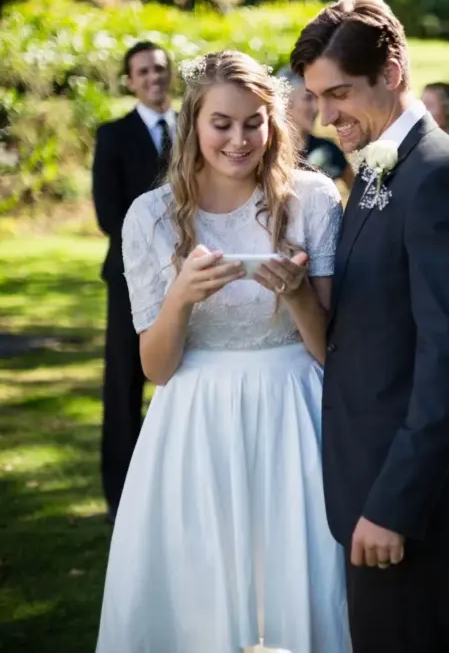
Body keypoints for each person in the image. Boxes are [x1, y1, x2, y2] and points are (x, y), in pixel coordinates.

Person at [94, 50, 350, 653]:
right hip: (194, 422)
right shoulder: (151, 218)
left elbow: (328, 352)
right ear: (194, 124)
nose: (239, 140)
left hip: (295, 414)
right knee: (199, 588)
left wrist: (297, 298)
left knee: (298, 574)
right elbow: (157, 367)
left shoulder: (312, 200)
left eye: (253, 123)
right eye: (222, 124)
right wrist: (179, 298)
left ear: (274, 123)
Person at [291, 0, 449, 653]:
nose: (326, 117)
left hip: (402, 494)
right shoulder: (385, 168)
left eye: (341, 94)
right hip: (367, 476)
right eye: (316, 98)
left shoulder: (439, 175)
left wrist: (394, 504)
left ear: (393, 71)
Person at [91, 41, 175, 523]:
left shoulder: (193, 128)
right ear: (130, 81)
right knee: (124, 383)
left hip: (191, 271)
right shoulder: (113, 135)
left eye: (159, 68)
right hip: (130, 275)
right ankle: (120, 496)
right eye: (142, 71)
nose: (153, 76)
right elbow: (108, 214)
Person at [277, 66, 356, 190]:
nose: (317, 107)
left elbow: (360, 195)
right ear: (286, 103)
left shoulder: (327, 150)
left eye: (316, 98)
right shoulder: (269, 152)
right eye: (308, 99)